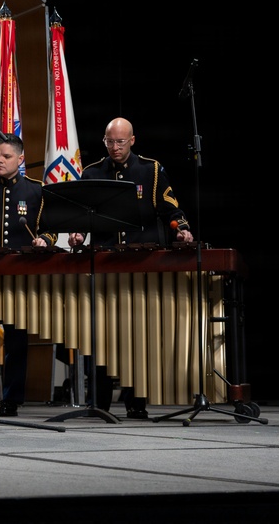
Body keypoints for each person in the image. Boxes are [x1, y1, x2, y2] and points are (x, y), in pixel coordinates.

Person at [66, 116, 194, 419]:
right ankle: (99, 404)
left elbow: (170, 209)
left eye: (120, 142)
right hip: (106, 263)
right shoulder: (92, 172)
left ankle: (136, 403)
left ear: (132, 141)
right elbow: (82, 215)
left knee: (139, 336)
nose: (115, 147)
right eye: (110, 142)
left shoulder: (150, 170)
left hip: (141, 265)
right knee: (101, 337)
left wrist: (182, 229)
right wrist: (77, 234)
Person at [0, 134, 56, 417]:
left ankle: (11, 400)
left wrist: (44, 240)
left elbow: (50, 228)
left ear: (20, 160)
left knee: (16, 341)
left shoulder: (36, 190)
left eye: (6, 156)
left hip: (19, 277)